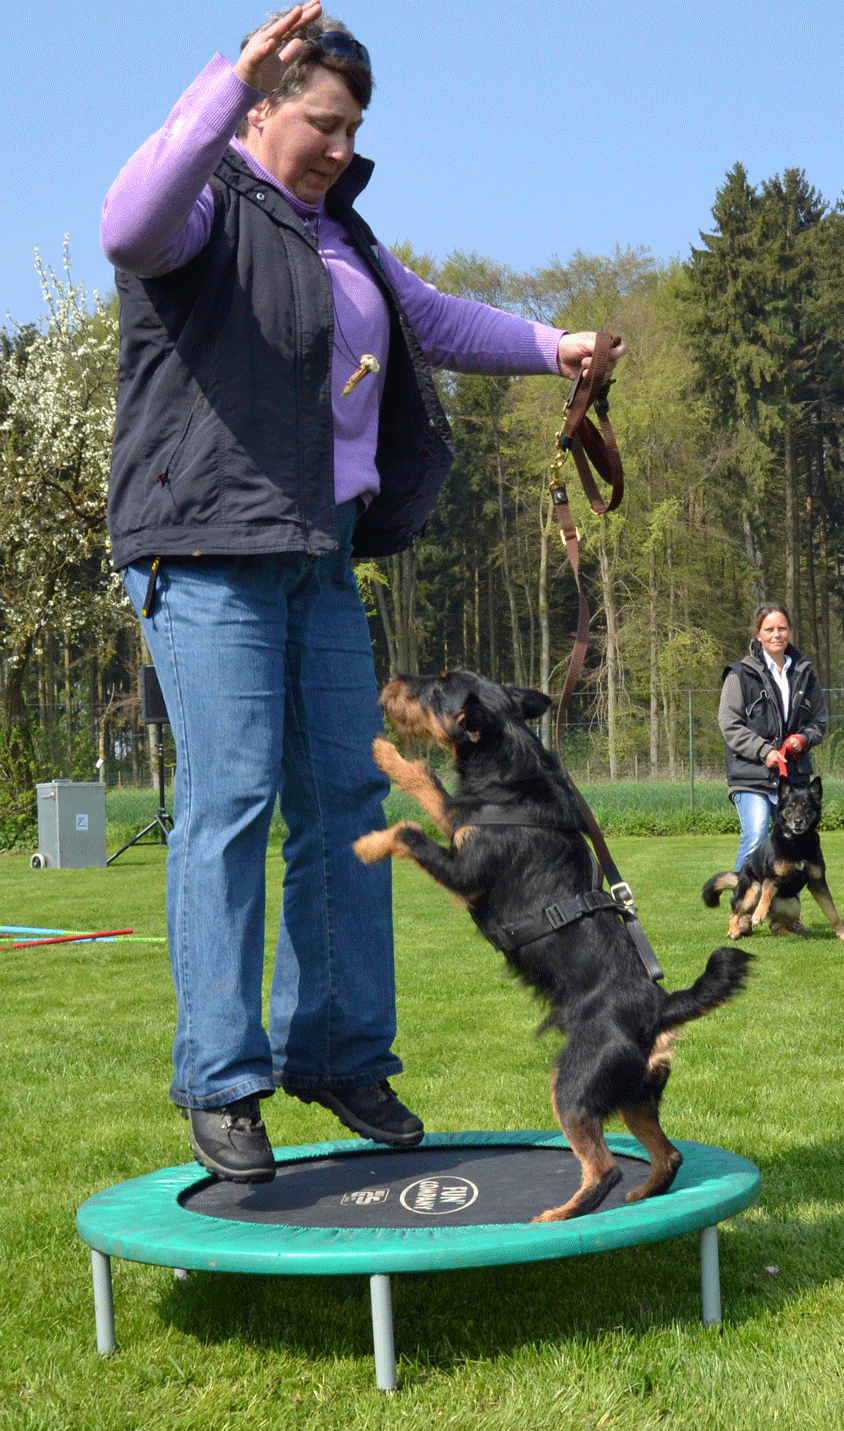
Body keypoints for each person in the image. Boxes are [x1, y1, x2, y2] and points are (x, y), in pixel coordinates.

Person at [101, 3, 627, 1183]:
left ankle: (337, 1052)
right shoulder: (201, 205)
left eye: (355, 129)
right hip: (206, 548)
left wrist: (557, 346)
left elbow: (428, 318)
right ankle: (223, 1080)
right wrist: (218, 84)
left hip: (320, 555)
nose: (341, 148)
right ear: (261, 108)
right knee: (231, 805)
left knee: (349, 803)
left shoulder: (341, 233)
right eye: (322, 125)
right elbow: (124, 225)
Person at [718, 602, 827, 910]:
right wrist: (764, 751)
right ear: (758, 634)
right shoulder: (740, 674)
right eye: (769, 629)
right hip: (750, 774)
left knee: (799, 844)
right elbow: (728, 723)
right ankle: (741, 910)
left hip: (792, 778)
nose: (777, 634)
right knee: (755, 835)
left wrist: (801, 740)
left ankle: (785, 913)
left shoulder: (805, 673)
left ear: (789, 631)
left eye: (782, 628)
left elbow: (819, 721)